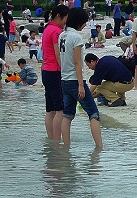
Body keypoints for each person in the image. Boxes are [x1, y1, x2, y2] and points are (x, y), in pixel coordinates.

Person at [59, 7, 103, 149]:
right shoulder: (76, 37)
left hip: (64, 80)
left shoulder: (62, 35)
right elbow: (78, 62)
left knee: (67, 115)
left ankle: (66, 148)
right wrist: (80, 85)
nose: (85, 25)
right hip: (74, 80)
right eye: (84, 22)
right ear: (79, 22)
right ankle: (99, 148)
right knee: (93, 113)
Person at [41, 5, 69, 142]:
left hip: (46, 71)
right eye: (65, 19)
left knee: (50, 110)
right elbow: (59, 55)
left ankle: (51, 139)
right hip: (54, 71)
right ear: (58, 16)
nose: (66, 23)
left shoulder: (47, 29)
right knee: (60, 110)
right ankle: (58, 142)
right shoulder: (57, 32)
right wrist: (66, 72)